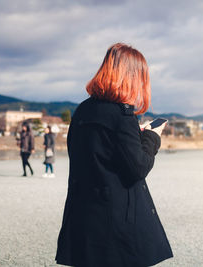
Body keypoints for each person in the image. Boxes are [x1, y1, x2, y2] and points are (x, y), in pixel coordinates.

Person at [55, 43, 173, 267]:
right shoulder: (121, 115)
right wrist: (152, 136)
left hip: (84, 215)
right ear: (133, 77)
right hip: (116, 223)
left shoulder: (83, 110)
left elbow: (95, 153)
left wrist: (133, 136)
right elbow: (138, 168)